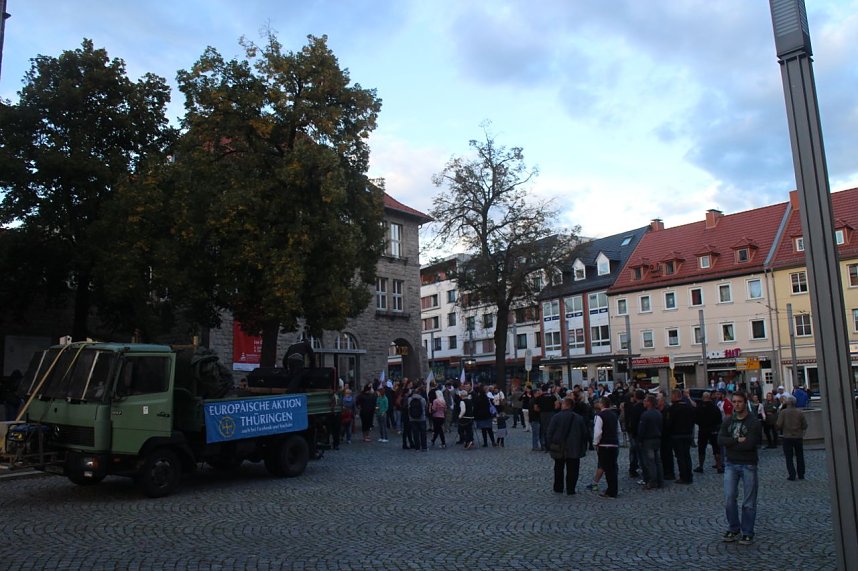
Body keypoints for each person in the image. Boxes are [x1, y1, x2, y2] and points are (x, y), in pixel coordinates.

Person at [718, 391, 763, 545]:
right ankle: (733, 527)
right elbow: (720, 440)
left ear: (745, 403)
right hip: (731, 463)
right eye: (734, 402)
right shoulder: (728, 420)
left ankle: (748, 531)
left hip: (748, 464)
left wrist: (732, 443)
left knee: (749, 501)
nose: (736, 404)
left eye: (739, 402)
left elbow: (751, 443)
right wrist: (737, 440)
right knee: (729, 498)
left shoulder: (753, 422)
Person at [546, 397, 589, 495]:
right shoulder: (579, 418)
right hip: (574, 448)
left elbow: (549, 432)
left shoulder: (556, 417)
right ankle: (571, 488)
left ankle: (558, 487)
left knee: (558, 468)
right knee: (573, 470)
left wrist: (550, 445)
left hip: (559, 447)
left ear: (565, 405)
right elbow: (584, 434)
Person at [593, 397, 621, 498]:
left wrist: (595, 443)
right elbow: (618, 430)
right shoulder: (614, 415)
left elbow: (598, 432)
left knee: (607, 468)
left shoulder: (599, 416)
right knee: (613, 468)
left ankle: (611, 491)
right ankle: (614, 489)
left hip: (604, 445)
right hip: (614, 444)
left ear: (601, 404)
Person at [667, 388, 695, 484]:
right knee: (687, 456)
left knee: (680, 457)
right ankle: (689, 476)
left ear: (675, 396)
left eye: (672, 395)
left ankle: (683, 476)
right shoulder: (688, 407)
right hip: (687, 434)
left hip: (677, 435)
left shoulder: (672, 408)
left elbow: (669, 422)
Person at [776, 395, 808, 481]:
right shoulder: (799, 412)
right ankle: (801, 474)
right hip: (798, 436)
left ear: (787, 403)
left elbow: (778, 425)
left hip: (787, 437)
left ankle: (792, 474)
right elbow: (805, 425)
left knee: (789, 457)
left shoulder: (783, 412)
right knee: (800, 456)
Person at [638, 395, 663, 489]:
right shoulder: (658, 413)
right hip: (657, 439)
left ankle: (652, 481)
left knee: (650, 462)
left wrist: (640, 440)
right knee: (658, 461)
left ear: (649, 403)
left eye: (645, 401)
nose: (643, 402)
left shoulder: (645, 415)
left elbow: (641, 429)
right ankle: (660, 480)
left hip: (648, 440)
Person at [694, 391, 722, 473]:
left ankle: (701, 466)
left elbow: (695, 419)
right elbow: (719, 419)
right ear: (709, 397)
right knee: (716, 448)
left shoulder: (699, 407)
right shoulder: (714, 407)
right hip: (713, 430)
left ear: (703, 397)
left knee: (701, 448)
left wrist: (701, 423)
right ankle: (719, 466)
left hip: (703, 430)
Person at [407, 388, 428, 452]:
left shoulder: (409, 399)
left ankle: (417, 448)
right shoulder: (423, 399)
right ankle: (424, 447)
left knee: (415, 433)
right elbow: (424, 407)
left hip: (412, 418)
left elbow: (408, 407)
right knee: (423, 433)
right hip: (422, 418)